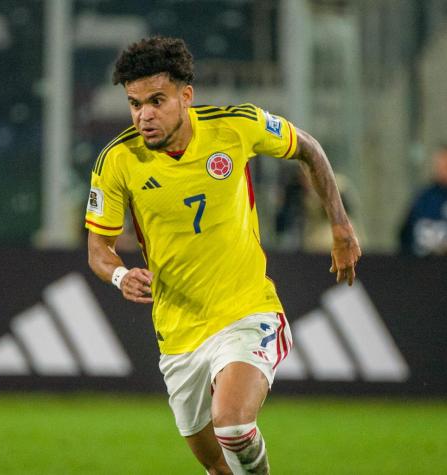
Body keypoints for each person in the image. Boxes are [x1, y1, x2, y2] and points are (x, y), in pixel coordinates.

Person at [85, 37, 360, 474]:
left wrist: (341, 226)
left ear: (185, 96)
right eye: (135, 104)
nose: (145, 115)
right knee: (218, 467)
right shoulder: (118, 160)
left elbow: (309, 148)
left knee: (232, 425)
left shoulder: (235, 126)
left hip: (246, 312)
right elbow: (98, 251)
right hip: (178, 336)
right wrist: (120, 276)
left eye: (157, 101)